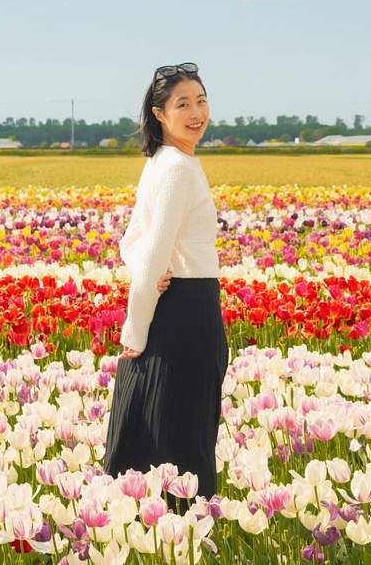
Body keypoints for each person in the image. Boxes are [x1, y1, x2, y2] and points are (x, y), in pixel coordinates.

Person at [102, 62, 227, 511]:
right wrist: (135, 328)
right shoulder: (177, 169)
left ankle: (148, 532)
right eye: (182, 105)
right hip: (186, 311)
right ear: (160, 114)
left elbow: (129, 244)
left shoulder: (161, 162)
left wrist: (147, 276)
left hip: (169, 304)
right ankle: (184, 533)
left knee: (154, 429)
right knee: (183, 436)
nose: (196, 113)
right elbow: (150, 250)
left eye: (201, 100)